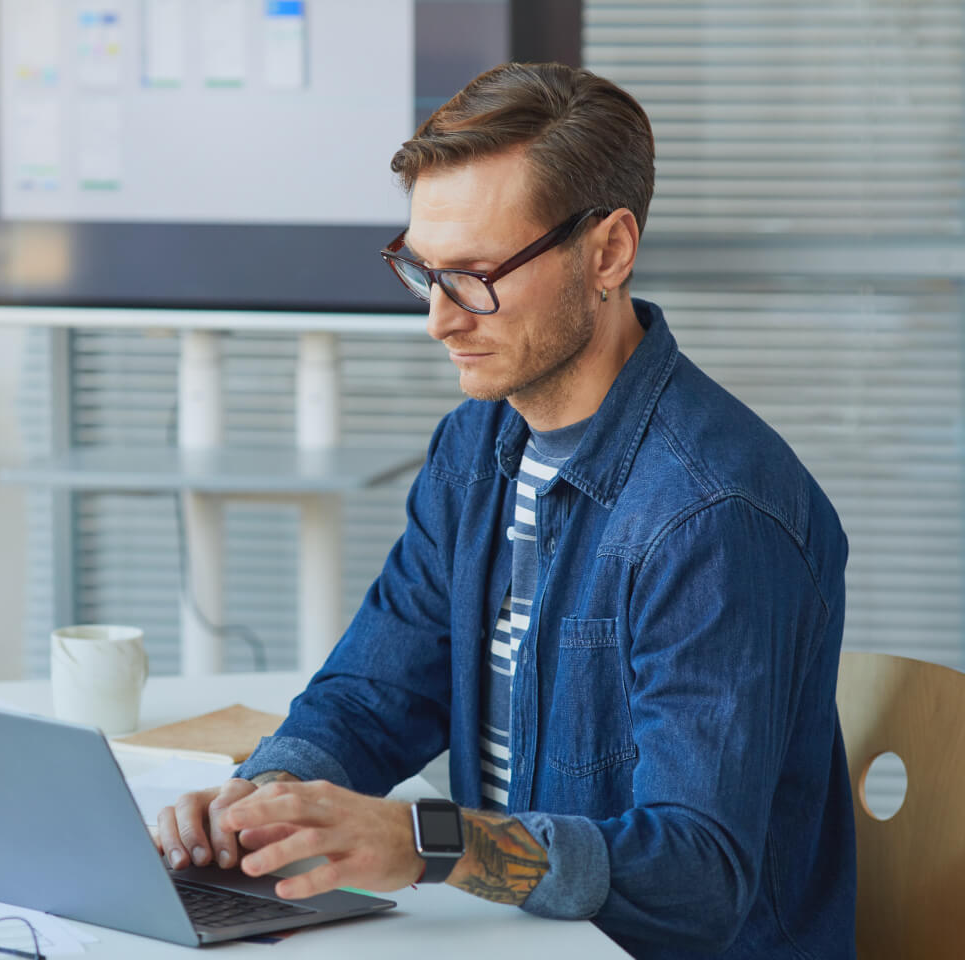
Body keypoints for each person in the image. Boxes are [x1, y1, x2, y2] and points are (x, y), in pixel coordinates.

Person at [154, 62, 857, 958]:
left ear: (608, 253)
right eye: (424, 270)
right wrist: (264, 798)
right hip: (519, 936)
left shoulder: (713, 515)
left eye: (477, 275)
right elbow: (377, 693)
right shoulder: (476, 446)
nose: (439, 320)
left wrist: (427, 844)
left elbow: (698, 876)